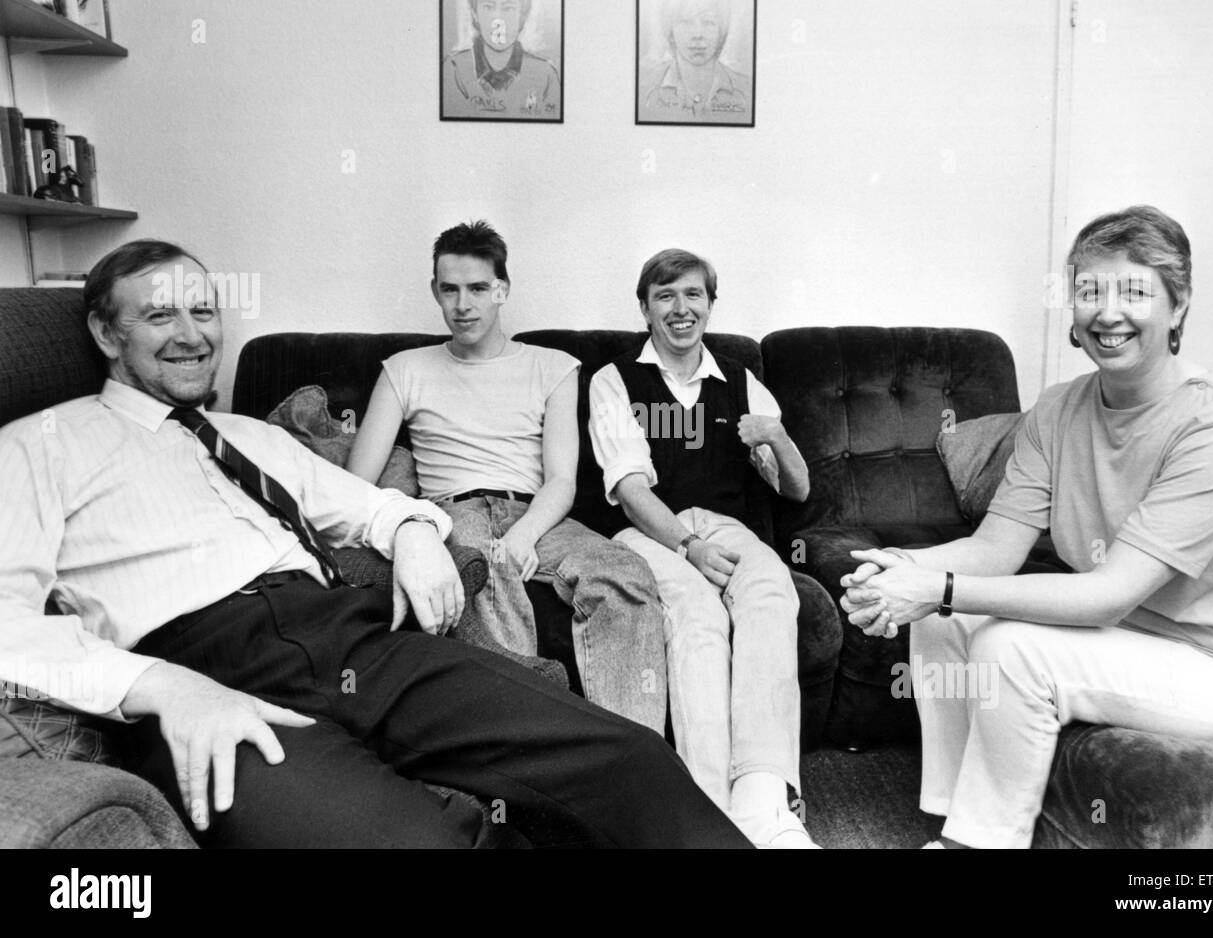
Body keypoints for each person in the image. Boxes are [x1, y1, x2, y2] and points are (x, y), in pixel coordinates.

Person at [0, 238, 750, 849]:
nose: (193, 335)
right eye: (161, 317)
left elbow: (371, 505)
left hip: (358, 639)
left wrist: (418, 532)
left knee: (628, 760)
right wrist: (160, 687)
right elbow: (7, 619)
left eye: (204, 310)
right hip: (204, 675)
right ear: (106, 332)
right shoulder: (38, 446)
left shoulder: (248, 436)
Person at [841, 205, 1213, 849]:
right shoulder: (1058, 407)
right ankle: (953, 819)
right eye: (1089, 291)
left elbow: (1108, 593)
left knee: (1009, 649)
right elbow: (994, 548)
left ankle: (983, 843)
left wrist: (939, 587)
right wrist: (902, 567)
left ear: (1179, 304)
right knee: (944, 621)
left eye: (1135, 291)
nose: (1107, 313)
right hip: (1129, 638)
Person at [346, 221, 668, 732]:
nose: (462, 304)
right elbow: (356, 483)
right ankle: (525, 750)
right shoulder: (403, 368)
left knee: (624, 572)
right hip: (452, 512)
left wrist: (523, 535)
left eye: (477, 288)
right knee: (479, 572)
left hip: (536, 512)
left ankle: (631, 758)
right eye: (449, 289)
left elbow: (562, 480)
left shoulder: (555, 366)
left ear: (502, 289)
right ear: (435, 291)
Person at [588, 248, 816, 848]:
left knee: (771, 590)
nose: (681, 308)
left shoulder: (741, 382)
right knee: (698, 614)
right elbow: (632, 491)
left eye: (693, 295)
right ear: (645, 308)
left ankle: (763, 804)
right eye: (665, 296)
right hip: (651, 531)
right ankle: (707, 812)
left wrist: (777, 437)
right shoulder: (614, 381)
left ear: (711, 305)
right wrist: (688, 547)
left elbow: (797, 489)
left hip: (728, 525)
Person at [443, 0, 561, 119]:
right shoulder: (453, 69)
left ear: (522, 16)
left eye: (508, 8)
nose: (498, 21)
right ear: (475, 14)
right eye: (488, 7)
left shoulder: (546, 74)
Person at [639, 0, 751, 124]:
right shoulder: (644, 88)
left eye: (708, 23)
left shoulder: (747, 90)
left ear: (721, 30)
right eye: (686, 22)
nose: (697, 35)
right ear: (671, 30)